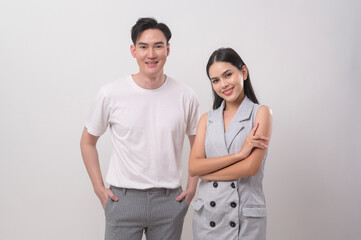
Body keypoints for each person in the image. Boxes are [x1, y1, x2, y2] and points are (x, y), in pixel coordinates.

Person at [80, 17, 200, 240]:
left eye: (158, 46)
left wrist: (192, 187)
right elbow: (87, 142)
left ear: (168, 50)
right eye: (144, 47)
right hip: (123, 200)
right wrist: (99, 187)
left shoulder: (186, 96)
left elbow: (198, 145)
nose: (151, 54)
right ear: (133, 50)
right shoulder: (111, 93)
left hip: (169, 201)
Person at [189, 48, 273, 240]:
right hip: (208, 219)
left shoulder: (261, 113)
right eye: (215, 80)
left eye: (228, 75)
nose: (223, 85)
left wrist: (206, 172)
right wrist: (239, 155)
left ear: (243, 72)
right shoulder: (206, 119)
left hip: (244, 219)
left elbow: (250, 168)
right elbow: (193, 167)